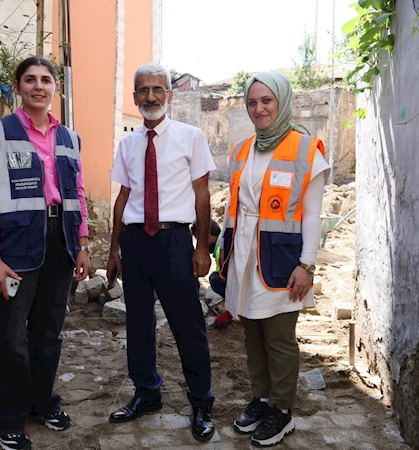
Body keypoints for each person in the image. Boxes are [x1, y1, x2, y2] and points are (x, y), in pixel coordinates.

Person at [0, 56, 90, 450]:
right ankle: (2, 418)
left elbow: (78, 196)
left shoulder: (70, 139)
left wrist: (83, 244)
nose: (39, 86)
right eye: (30, 80)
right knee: (8, 335)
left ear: (55, 87)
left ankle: (41, 404)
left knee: (48, 332)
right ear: (18, 87)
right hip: (15, 246)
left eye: (46, 79)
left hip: (60, 243)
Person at [106, 62, 217, 442]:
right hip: (135, 243)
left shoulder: (191, 137)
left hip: (174, 242)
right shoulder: (128, 144)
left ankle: (201, 402)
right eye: (143, 91)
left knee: (188, 324)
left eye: (157, 89)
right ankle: (147, 393)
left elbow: (203, 195)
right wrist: (113, 249)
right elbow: (122, 197)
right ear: (135, 97)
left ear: (169, 94)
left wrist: (202, 246)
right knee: (138, 325)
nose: (150, 97)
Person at [218, 72, 329, 447]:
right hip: (245, 254)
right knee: (251, 333)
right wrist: (225, 254)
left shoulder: (304, 149)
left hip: (283, 258)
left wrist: (307, 265)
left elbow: (313, 214)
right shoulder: (242, 150)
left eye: (266, 100)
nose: (259, 108)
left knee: (279, 338)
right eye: (252, 102)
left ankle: (282, 411)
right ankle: (261, 399)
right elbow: (234, 210)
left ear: (281, 102)